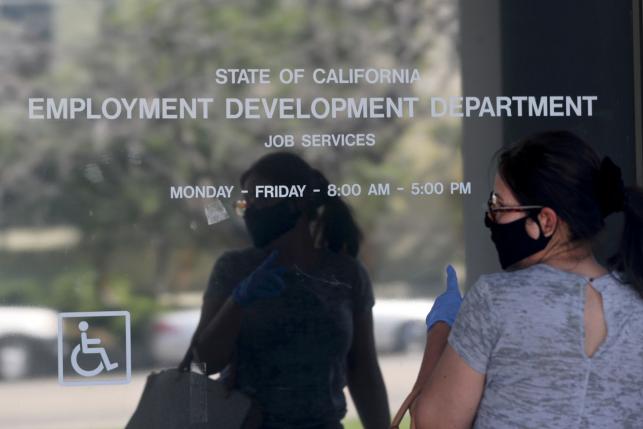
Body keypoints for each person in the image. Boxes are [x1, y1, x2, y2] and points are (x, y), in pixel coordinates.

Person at [395, 131, 643, 428]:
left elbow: (433, 424)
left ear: (546, 221)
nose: (492, 217)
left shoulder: (495, 300)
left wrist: (441, 330)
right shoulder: (636, 304)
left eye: (500, 206)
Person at [186, 152, 390, 429]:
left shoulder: (346, 274)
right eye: (246, 201)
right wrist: (238, 301)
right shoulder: (234, 269)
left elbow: (363, 370)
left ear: (299, 201)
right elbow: (203, 364)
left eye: (262, 196)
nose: (251, 209)